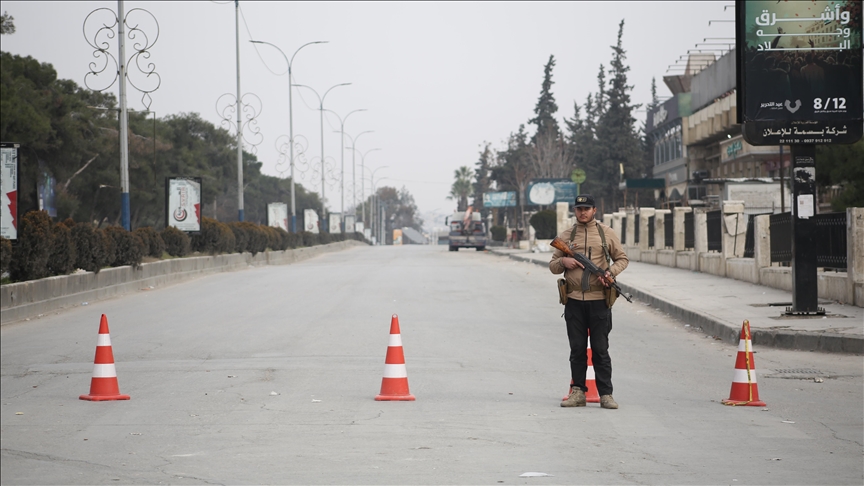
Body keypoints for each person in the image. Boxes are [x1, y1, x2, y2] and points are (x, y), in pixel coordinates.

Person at [549, 195, 628, 409]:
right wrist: (564, 260)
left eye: (586, 208)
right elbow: (553, 265)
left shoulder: (606, 233)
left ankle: (606, 394)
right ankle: (578, 393)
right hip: (574, 300)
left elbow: (622, 259)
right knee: (577, 349)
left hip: (598, 300)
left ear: (595, 210)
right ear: (575, 211)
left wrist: (609, 272)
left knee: (601, 349)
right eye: (579, 208)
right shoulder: (567, 236)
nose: (582, 212)